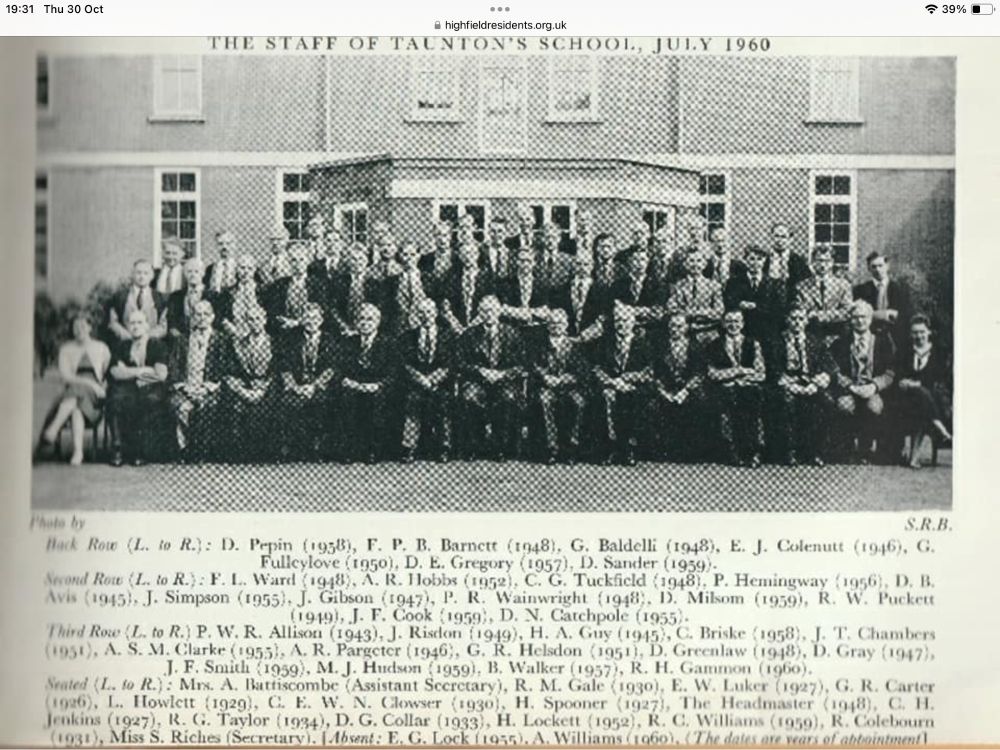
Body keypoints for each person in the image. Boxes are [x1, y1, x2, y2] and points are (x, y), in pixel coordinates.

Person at [36, 312, 111, 466]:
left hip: (94, 395)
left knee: (76, 396)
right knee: (77, 408)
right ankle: (78, 452)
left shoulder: (101, 347)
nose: (79, 330)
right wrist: (90, 384)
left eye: (83, 326)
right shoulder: (66, 349)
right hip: (76, 389)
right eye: (75, 327)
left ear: (90, 327)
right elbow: (67, 377)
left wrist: (101, 387)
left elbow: (108, 373)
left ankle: (54, 428)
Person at [457, 295, 525, 460]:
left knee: (508, 398)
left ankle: (500, 447)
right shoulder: (469, 334)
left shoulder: (513, 333)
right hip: (477, 380)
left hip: (505, 381)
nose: (489, 314)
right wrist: (480, 371)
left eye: (492, 310)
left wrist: (503, 374)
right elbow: (460, 363)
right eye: (485, 311)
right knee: (469, 397)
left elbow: (522, 364)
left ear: (499, 311)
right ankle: (474, 446)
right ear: (479, 312)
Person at [829, 299, 897, 463]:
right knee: (845, 406)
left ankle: (865, 450)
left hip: (872, 389)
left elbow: (891, 371)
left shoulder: (882, 341)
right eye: (856, 317)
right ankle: (846, 448)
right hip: (849, 389)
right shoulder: (841, 343)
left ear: (870, 319)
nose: (860, 321)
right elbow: (834, 370)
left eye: (864, 317)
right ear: (850, 319)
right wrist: (850, 386)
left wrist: (874, 386)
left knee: (874, 406)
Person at [771, 306, 835, 466]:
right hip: (788, 384)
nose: (797, 322)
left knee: (827, 401)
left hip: (811, 383)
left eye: (800, 319)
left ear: (806, 321)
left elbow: (829, 366)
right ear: (787, 320)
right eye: (793, 319)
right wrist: (792, 385)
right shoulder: (778, 341)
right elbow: (773, 369)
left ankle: (817, 452)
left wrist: (816, 383)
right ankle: (790, 452)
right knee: (787, 402)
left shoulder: (815, 341)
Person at [106, 309, 170, 466]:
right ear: (127, 326)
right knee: (115, 398)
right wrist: (142, 371)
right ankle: (117, 449)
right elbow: (115, 372)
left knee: (145, 401)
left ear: (147, 325)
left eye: (139, 322)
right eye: (132, 323)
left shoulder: (157, 345)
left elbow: (161, 375)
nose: (135, 326)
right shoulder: (122, 346)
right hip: (127, 388)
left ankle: (139, 451)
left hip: (151, 388)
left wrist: (129, 371)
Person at [592, 304, 653, 465]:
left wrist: (629, 379)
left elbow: (649, 371)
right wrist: (612, 382)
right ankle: (612, 447)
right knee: (607, 396)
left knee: (632, 397)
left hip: (634, 386)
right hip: (611, 386)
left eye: (626, 320)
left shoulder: (643, 343)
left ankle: (629, 448)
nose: (622, 324)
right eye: (618, 320)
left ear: (633, 322)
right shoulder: (606, 342)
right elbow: (597, 368)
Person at [168, 300, 228, 460]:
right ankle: (185, 449)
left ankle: (200, 450)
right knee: (182, 408)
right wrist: (184, 387)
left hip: (208, 389)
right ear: (192, 317)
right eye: (197, 314)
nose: (201, 318)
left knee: (204, 407)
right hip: (186, 388)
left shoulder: (221, 340)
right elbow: (174, 367)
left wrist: (206, 388)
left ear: (212, 317)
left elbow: (222, 368)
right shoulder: (182, 339)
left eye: (205, 314)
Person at [706, 309, 766, 467]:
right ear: (724, 324)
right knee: (728, 402)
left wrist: (743, 378)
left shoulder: (753, 343)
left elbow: (761, 373)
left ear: (743, 324)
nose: (733, 325)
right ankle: (732, 450)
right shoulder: (714, 345)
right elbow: (712, 373)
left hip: (748, 386)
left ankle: (754, 451)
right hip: (725, 387)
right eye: (730, 322)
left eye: (737, 321)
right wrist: (737, 372)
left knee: (752, 401)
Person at [338, 304, 396, 463]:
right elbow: (340, 369)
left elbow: (394, 372)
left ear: (378, 321)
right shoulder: (349, 342)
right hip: (354, 385)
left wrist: (378, 385)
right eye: (361, 319)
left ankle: (373, 450)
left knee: (378, 400)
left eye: (370, 319)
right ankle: (349, 450)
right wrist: (350, 382)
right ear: (356, 322)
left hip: (377, 386)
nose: (365, 323)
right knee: (346, 398)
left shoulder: (388, 343)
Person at [278, 303, 337, 458]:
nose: (311, 322)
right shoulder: (291, 339)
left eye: (315, 318)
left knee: (321, 403)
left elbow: (331, 368)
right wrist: (295, 386)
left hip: (319, 386)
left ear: (322, 320)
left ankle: (317, 448)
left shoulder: (329, 339)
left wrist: (314, 386)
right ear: (302, 320)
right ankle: (293, 448)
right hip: (296, 385)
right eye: (308, 318)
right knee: (290, 403)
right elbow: (284, 366)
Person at [400, 299, 456, 463]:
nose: (426, 316)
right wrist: (420, 379)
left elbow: (452, 362)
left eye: (429, 312)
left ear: (436, 313)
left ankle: (444, 447)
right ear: (417, 315)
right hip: (416, 382)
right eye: (422, 313)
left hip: (441, 382)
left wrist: (434, 379)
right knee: (413, 400)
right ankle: (409, 448)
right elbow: (404, 364)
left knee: (443, 401)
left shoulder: (448, 335)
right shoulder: (408, 336)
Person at [893, 314, 952, 468]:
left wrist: (917, 384)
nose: (919, 336)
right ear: (910, 334)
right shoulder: (904, 352)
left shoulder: (939, 352)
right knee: (918, 398)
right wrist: (904, 382)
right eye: (915, 332)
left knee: (921, 400)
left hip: (933, 398)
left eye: (922, 332)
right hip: (906, 400)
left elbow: (940, 378)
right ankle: (940, 428)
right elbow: (898, 374)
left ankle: (914, 458)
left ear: (929, 332)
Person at [532, 309, 587, 464]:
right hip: (547, 386)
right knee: (544, 400)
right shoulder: (539, 346)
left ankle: (572, 448)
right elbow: (534, 366)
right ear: (548, 326)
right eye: (553, 323)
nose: (557, 326)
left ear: (566, 325)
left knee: (579, 402)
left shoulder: (575, 346)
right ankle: (552, 448)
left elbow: (582, 371)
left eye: (560, 323)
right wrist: (545, 377)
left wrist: (565, 379)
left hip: (570, 387)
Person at [223, 305, 276, 462]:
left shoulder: (275, 342)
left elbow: (278, 370)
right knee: (236, 406)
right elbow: (230, 371)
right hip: (244, 387)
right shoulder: (238, 345)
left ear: (265, 320)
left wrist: (262, 389)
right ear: (246, 322)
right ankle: (240, 455)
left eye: (258, 319)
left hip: (267, 387)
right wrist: (242, 390)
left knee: (265, 408)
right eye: (251, 319)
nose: (255, 323)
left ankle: (265, 454)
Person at [651, 313, 706, 461]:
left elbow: (700, 373)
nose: (676, 329)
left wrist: (686, 390)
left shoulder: (696, 346)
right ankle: (665, 451)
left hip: (689, 388)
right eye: (673, 326)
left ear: (686, 327)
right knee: (656, 405)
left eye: (680, 326)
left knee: (698, 403)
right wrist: (663, 391)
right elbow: (655, 372)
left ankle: (690, 452)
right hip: (666, 388)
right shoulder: (659, 347)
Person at [723, 244, 786, 346]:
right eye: (752, 259)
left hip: (767, 332)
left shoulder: (775, 284)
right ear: (745, 260)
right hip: (743, 332)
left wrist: (753, 306)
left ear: (765, 260)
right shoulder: (734, 282)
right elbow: (730, 304)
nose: (755, 263)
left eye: (759, 259)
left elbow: (778, 309)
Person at [262, 242, 328, 339]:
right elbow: (272, 311)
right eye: (294, 260)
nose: (298, 264)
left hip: (310, 334)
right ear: (288, 262)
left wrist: (298, 323)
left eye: (301, 259)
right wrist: (283, 321)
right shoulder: (279, 285)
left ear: (308, 261)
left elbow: (323, 311)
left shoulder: (318, 285)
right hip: (285, 334)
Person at [794, 244, 852, 343]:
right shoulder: (802, 286)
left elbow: (846, 311)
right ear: (812, 262)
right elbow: (801, 311)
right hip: (811, 335)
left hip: (836, 335)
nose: (823, 264)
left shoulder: (843, 285)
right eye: (819, 260)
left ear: (832, 262)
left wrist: (820, 315)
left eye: (827, 261)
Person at [852, 251, 912, 346]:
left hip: (895, 336)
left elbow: (904, 315)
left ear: (887, 266)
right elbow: (857, 314)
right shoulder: (861, 290)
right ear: (868, 269)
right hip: (870, 337)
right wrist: (884, 314)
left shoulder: (900, 290)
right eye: (874, 267)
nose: (878, 270)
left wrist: (871, 314)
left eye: (880, 266)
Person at [667, 251, 725, 341]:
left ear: (704, 264)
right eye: (691, 261)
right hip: (684, 332)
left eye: (698, 261)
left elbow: (719, 311)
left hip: (708, 332)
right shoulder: (678, 285)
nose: (695, 264)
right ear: (685, 264)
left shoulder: (714, 286)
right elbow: (671, 307)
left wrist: (695, 312)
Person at [107, 259, 167, 343]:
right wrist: (126, 336)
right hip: (125, 344)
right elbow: (113, 322)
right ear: (132, 274)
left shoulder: (160, 298)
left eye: (146, 273)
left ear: (151, 276)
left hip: (151, 345)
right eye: (138, 273)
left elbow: (163, 326)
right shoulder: (120, 296)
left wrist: (147, 337)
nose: (142, 277)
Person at [441, 241, 494, 335]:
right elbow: (446, 306)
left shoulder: (487, 277)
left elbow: (492, 304)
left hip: (481, 326)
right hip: (457, 328)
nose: (468, 257)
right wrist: (456, 325)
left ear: (478, 254)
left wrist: (472, 326)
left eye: (471, 253)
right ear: (460, 256)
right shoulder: (453, 277)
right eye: (464, 254)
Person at [497, 247, 553, 331]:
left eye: (529, 261)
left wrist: (526, 312)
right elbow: (503, 308)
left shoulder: (541, 284)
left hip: (536, 327)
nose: (525, 264)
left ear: (534, 263)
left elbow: (545, 310)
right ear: (517, 262)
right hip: (512, 327)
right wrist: (524, 313)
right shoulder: (507, 282)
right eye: (522, 260)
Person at [552, 251, 605, 340]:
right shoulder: (561, 290)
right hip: (566, 340)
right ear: (573, 266)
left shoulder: (601, 291)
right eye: (578, 264)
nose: (582, 268)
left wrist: (586, 335)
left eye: (586, 264)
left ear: (592, 266)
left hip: (593, 342)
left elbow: (602, 318)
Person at [327, 244, 376, 337]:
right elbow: (333, 308)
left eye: (361, 259)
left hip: (368, 331)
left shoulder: (375, 284)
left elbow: (378, 310)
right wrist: (345, 327)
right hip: (343, 331)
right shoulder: (338, 282)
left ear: (367, 261)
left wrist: (363, 329)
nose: (357, 263)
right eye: (353, 259)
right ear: (348, 262)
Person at [164, 258, 214, 339]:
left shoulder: (212, 295)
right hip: (182, 337)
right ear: (185, 274)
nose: (193, 275)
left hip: (205, 336)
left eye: (196, 271)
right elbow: (171, 319)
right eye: (189, 271)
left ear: (203, 273)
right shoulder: (176, 296)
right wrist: (174, 331)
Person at [216, 254, 264, 338]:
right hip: (233, 334)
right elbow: (220, 315)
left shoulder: (263, 291)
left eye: (249, 268)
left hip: (258, 336)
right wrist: (230, 328)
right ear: (237, 269)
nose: (246, 272)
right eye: (242, 268)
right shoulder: (228, 292)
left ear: (254, 270)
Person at [764, 222, 812, 288]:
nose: (779, 240)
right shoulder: (763, 260)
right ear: (771, 237)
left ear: (790, 239)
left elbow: (806, 283)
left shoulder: (798, 261)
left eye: (783, 237)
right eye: (776, 236)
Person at [535, 222, 573, 288]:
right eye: (547, 237)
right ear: (541, 239)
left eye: (553, 237)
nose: (550, 241)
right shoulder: (534, 259)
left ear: (559, 239)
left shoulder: (569, 260)